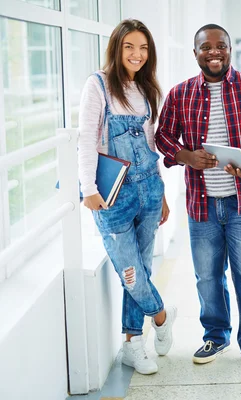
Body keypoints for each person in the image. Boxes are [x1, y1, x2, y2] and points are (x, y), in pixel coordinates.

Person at [155, 23, 241, 375]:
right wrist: (186, 157)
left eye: (221, 46)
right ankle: (215, 335)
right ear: (195, 52)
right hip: (202, 205)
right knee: (207, 277)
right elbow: (163, 136)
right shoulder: (180, 94)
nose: (214, 52)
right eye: (206, 47)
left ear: (230, 48)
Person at [78, 19, 177, 375]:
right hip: (113, 197)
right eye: (130, 47)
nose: (137, 54)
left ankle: (133, 344)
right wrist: (88, 188)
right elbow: (87, 137)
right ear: (117, 48)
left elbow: (149, 147)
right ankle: (162, 316)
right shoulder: (99, 85)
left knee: (144, 266)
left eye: (144, 48)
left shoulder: (147, 89)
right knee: (131, 272)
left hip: (149, 189)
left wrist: (162, 193)